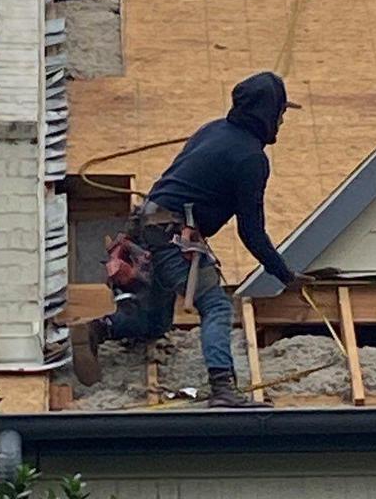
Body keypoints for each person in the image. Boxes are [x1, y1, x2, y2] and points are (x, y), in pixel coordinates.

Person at [71, 71, 314, 407]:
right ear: (266, 113)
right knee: (215, 306)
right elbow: (251, 232)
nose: (282, 121)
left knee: (156, 322)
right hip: (172, 234)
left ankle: (98, 329)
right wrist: (285, 275)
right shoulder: (250, 159)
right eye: (280, 113)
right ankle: (223, 390)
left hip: (147, 225)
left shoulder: (213, 128)